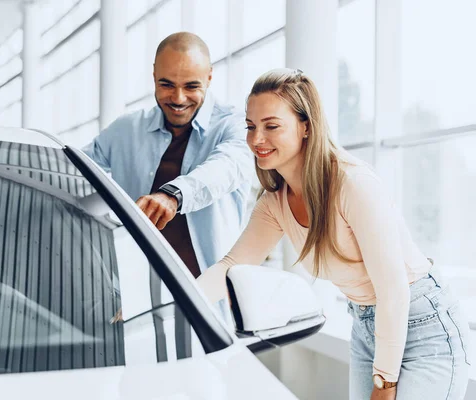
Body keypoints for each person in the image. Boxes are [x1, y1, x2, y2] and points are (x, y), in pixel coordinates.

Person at [197, 68, 471, 400]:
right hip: (367, 324)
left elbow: (393, 289)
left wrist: (384, 382)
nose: (257, 139)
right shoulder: (274, 203)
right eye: (251, 127)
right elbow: (230, 265)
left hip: (422, 325)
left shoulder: (352, 184)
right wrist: (171, 298)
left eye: (271, 126)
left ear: (305, 127)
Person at [83, 32, 252, 279]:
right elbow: (72, 170)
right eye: (167, 84)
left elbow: (225, 168)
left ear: (209, 77)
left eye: (191, 86)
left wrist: (172, 195)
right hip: (137, 296)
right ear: (153, 75)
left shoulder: (235, 125)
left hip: (207, 301)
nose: (178, 98)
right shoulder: (125, 131)